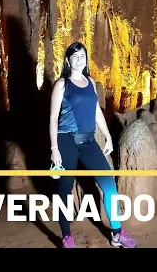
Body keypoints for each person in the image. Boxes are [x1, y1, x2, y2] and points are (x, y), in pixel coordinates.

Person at [49, 41, 138, 248]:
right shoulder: (62, 84)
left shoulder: (90, 82)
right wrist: (54, 149)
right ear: (68, 60)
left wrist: (107, 136)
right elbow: (53, 118)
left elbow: (96, 111)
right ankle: (67, 237)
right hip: (66, 140)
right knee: (64, 189)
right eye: (75, 56)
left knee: (109, 186)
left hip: (88, 141)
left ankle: (117, 233)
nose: (79, 60)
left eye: (83, 56)